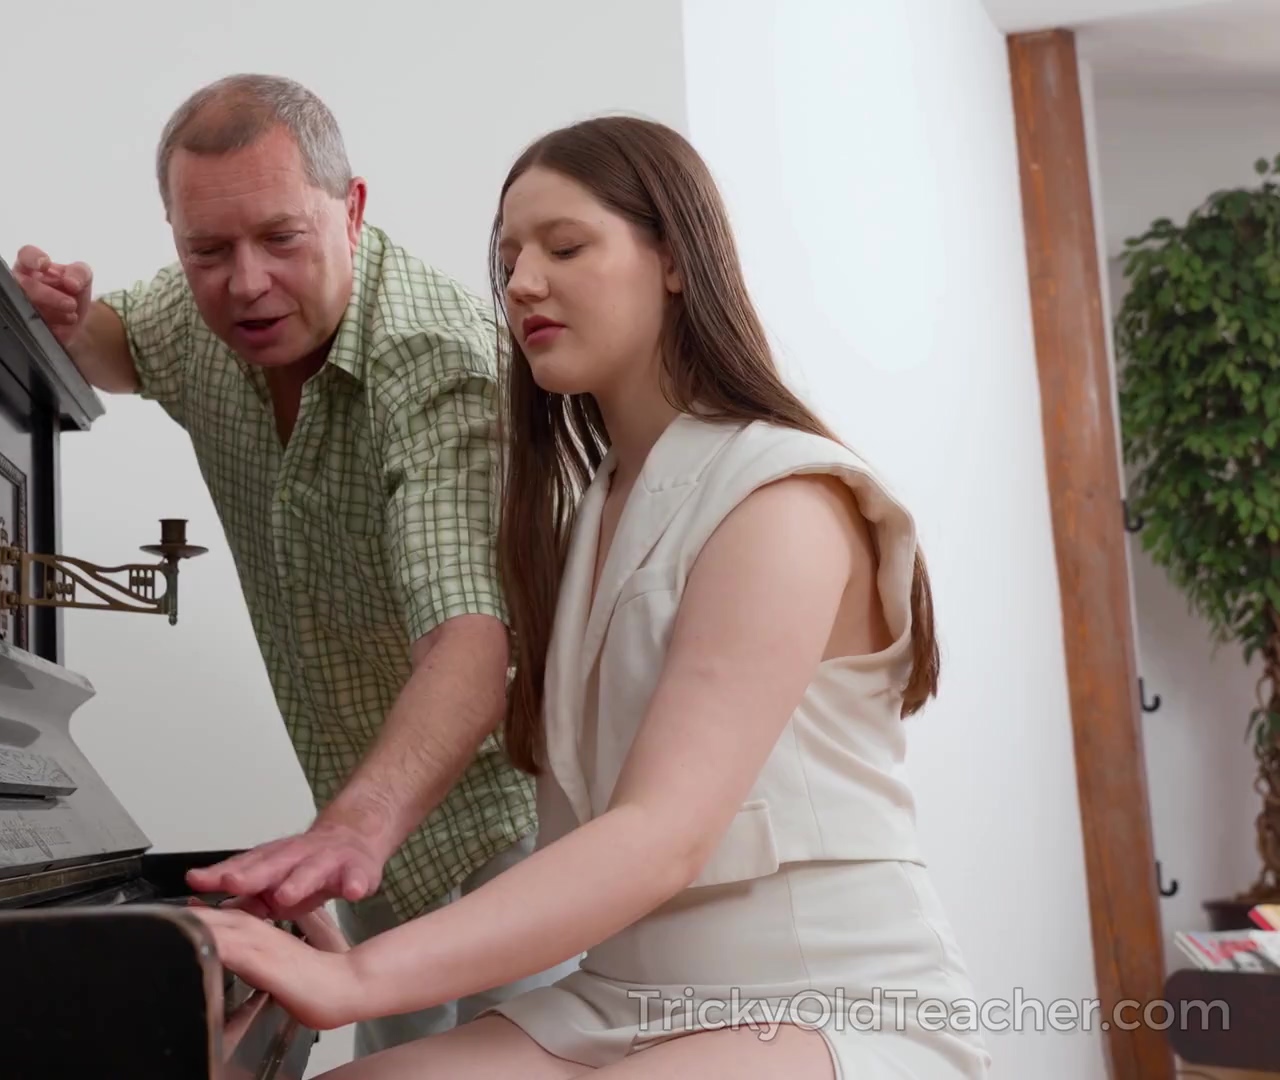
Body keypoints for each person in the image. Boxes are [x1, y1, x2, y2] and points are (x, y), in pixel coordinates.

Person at [184, 114, 994, 1079]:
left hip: (820, 1002)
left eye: (565, 246)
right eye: (511, 256)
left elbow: (660, 837)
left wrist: (361, 979)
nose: (522, 281)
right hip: (622, 998)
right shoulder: (590, 512)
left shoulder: (783, 499)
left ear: (676, 260)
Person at [7, 73, 578, 1055]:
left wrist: (344, 833)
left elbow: (470, 642)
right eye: (207, 250)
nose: (246, 283)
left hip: (505, 848)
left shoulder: (434, 363)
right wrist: (68, 326)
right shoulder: (202, 323)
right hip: (374, 861)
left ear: (351, 210)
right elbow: (121, 345)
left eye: (281, 237)